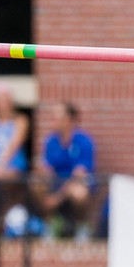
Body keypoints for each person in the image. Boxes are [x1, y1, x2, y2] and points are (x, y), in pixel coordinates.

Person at [33, 101, 96, 240]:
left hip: (75, 184)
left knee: (79, 193)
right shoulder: (51, 141)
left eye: (57, 117)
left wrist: (57, 198)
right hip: (57, 183)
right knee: (36, 184)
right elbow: (47, 169)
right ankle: (51, 224)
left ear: (68, 119)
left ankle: (82, 227)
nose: (53, 121)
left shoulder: (83, 141)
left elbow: (78, 175)